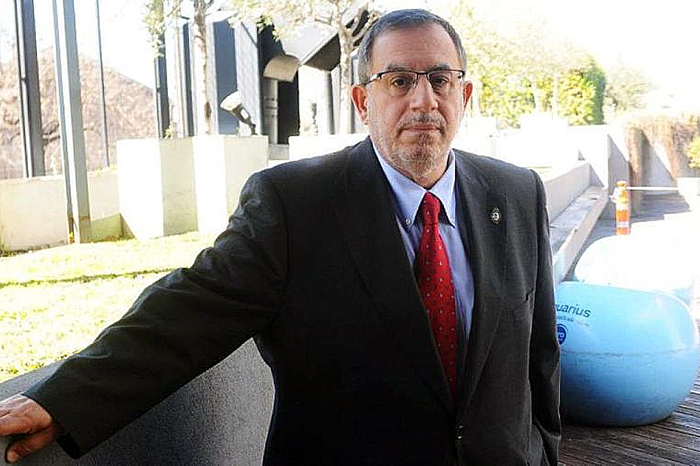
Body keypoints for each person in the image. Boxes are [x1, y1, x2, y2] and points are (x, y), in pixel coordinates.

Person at [0, 8, 560, 465]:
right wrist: (63, 399)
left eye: (440, 79)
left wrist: (547, 452)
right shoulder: (294, 205)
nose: (423, 100)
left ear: (465, 94)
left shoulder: (516, 193)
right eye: (399, 81)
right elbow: (186, 313)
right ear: (362, 101)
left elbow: (540, 355)